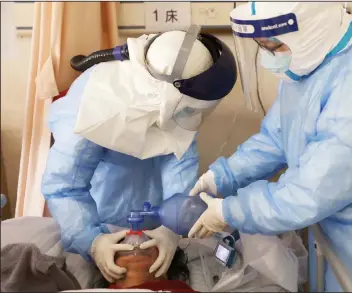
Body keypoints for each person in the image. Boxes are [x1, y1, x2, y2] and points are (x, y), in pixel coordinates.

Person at [188, 2, 352, 292]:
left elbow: (306, 194)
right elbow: (277, 137)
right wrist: (222, 177)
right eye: (260, 45)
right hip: (340, 232)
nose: (268, 54)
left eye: (273, 44)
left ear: (311, 28)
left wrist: (230, 211)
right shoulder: (311, 65)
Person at [41, 25, 237, 286]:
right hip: (99, 221)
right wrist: (91, 241)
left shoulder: (180, 107)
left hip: (157, 229)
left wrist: (170, 230)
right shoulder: (92, 105)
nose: (193, 116)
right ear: (168, 96)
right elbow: (63, 186)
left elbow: (180, 173)